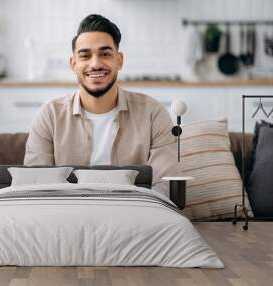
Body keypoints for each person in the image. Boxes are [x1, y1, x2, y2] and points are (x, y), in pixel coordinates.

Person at [24, 14, 178, 196]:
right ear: (73, 64)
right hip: (67, 216)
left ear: (119, 60)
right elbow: (34, 187)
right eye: (85, 56)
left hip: (133, 214)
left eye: (105, 54)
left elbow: (165, 186)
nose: (95, 64)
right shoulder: (49, 115)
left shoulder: (153, 114)